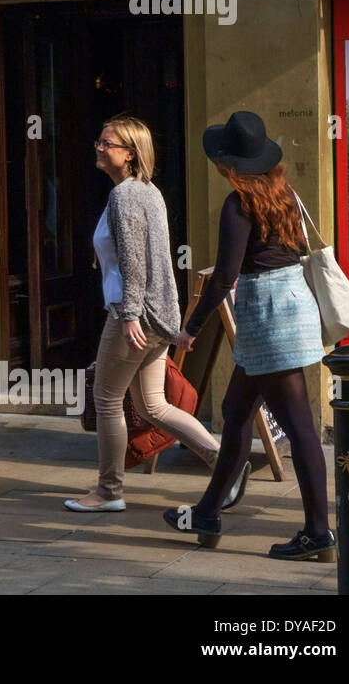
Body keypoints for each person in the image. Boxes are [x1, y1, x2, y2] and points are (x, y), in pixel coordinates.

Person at [163, 111, 332, 560]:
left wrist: (190, 328)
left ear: (231, 164)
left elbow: (224, 276)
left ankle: (318, 532)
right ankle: (208, 510)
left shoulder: (239, 205)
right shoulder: (286, 196)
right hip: (294, 306)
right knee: (236, 411)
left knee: (299, 428)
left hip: (266, 313)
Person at [66, 116, 229, 512]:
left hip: (134, 315)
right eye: (100, 141)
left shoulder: (125, 196)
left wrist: (129, 315)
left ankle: (108, 492)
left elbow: (133, 263)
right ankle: (225, 461)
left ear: (130, 153)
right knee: (154, 405)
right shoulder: (147, 192)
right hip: (158, 318)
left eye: (108, 143)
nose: (99, 148)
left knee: (106, 399)